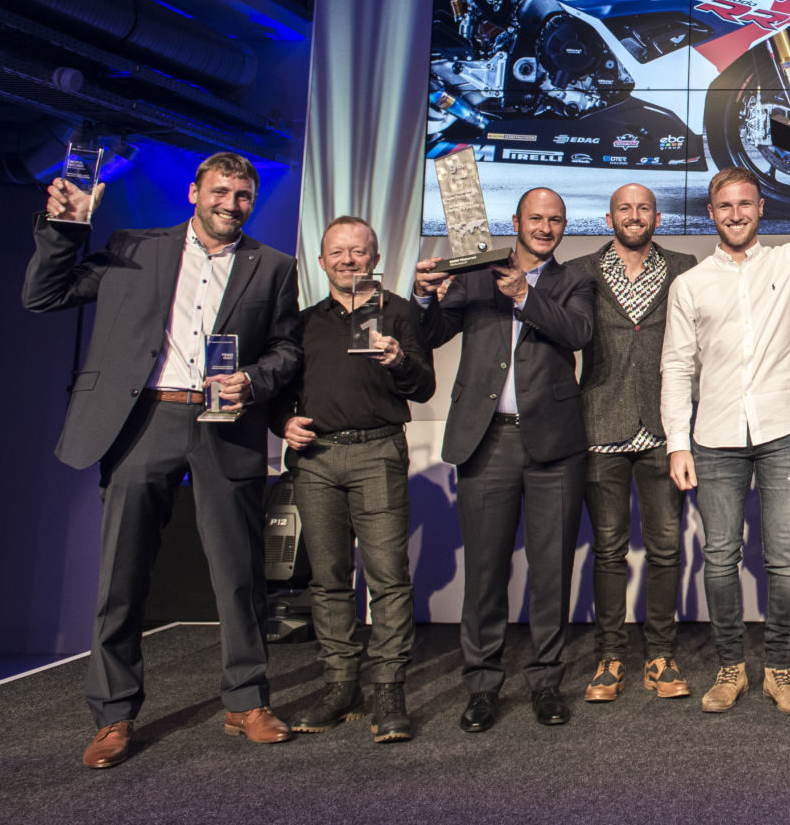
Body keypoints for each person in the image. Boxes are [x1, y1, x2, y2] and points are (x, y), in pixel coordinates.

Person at [24, 152, 303, 768]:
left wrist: (254, 380)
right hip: (143, 419)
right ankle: (114, 714)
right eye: (221, 192)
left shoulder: (275, 266)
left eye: (243, 196)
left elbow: (287, 347)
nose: (232, 204)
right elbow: (46, 295)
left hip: (225, 426)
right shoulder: (135, 247)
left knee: (238, 573)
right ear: (193, 192)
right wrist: (66, 229)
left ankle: (246, 702)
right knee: (122, 575)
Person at [660, 125, 790, 716]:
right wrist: (679, 444)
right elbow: (676, 370)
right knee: (720, 558)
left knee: (784, 559)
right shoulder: (690, 285)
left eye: (744, 203)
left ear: (760, 208)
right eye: (724, 206)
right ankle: (731, 667)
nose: (735, 213)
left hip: (783, 433)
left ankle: (778, 668)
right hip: (715, 439)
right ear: (711, 214)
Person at [414, 187, 594, 732]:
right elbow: (429, 335)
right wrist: (423, 296)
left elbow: (579, 332)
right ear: (514, 221)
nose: (545, 227)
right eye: (536, 218)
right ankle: (483, 686)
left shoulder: (575, 278)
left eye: (555, 220)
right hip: (486, 441)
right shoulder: (475, 273)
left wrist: (523, 297)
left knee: (551, 571)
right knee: (486, 572)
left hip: (554, 446)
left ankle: (546, 683)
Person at [275, 217, 434, 742]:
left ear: (374, 257)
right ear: (321, 263)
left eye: (358, 252)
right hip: (316, 459)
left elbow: (424, 386)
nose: (348, 260)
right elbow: (278, 390)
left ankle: (389, 688)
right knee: (329, 579)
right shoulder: (299, 322)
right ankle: (342, 685)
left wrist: (397, 361)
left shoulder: (400, 313)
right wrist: (282, 422)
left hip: (378, 452)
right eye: (337, 253)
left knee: (388, 578)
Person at [570, 184, 695, 704]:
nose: (635, 215)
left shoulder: (686, 265)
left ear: (657, 216)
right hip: (601, 424)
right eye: (625, 208)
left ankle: (661, 654)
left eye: (643, 208)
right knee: (609, 551)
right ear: (609, 218)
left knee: (667, 549)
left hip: (664, 428)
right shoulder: (580, 269)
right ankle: (610, 656)